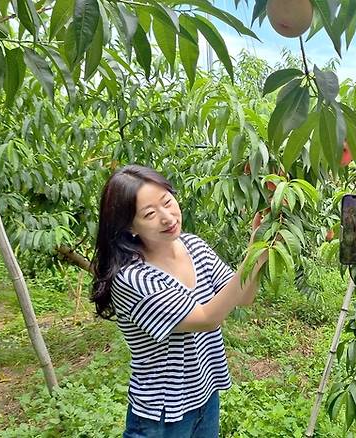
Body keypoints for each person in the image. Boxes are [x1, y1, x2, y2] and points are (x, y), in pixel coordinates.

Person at [91, 165, 266, 437]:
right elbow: (206, 319)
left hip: (205, 396)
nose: (167, 217)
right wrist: (253, 256)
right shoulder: (133, 278)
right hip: (162, 414)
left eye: (167, 201)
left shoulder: (194, 246)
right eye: (150, 214)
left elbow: (243, 296)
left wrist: (258, 250)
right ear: (129, 227)